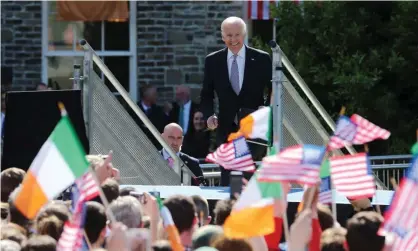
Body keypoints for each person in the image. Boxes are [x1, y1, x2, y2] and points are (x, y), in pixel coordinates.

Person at [200, 16, 272, 185]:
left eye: (237, 35)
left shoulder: (261, 59)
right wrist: (209, 115)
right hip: (226, 129)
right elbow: (206, 94)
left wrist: (266, 110)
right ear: (223, 36)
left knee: (248, 178)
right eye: (229, 35)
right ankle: (229, 210)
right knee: (228, 180)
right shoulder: (213, 61)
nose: (233, 40)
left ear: (244, 34)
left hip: (254, 129)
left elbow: (274, 89)